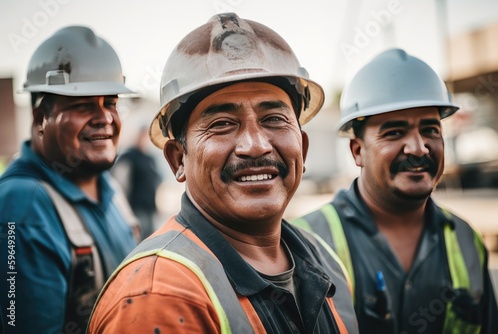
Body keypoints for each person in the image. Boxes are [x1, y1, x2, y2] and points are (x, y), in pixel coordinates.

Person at [88, 12, 358, 333]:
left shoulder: (325, 262)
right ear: (178, 161)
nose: (255, 146)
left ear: (303, 147)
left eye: (273, 118)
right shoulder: (158, 295)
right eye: (222, 124)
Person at [294, 48, 498, 333]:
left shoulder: (466, 241)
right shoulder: (305, 243)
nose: (418, 148)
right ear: (358, 151)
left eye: (430, 130)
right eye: (394, 132)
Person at [0, 26, 139, 333]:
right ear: (40, 119)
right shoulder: (22, 206)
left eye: (111, 103)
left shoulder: (109, 189)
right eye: (82, 105)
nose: (104, 118)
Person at [112, 125, 162, 239]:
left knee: (151, 238)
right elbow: (120, 183)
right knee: (138, 240)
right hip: (135, 208)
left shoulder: (149, 158)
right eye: (143, 136)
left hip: (149, 207)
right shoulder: (129, 157)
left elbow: (156, 181)